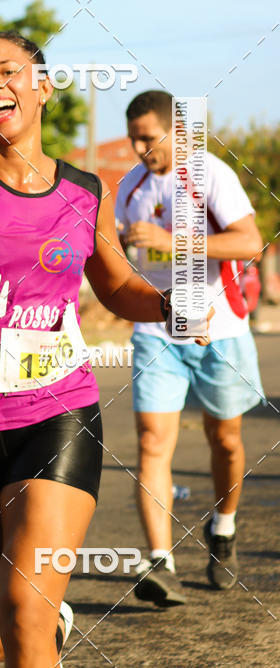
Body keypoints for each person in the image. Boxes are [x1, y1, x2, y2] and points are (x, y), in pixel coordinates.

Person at [0, 32, 210, 666]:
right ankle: (49, 624)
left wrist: (169, 304)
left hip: (58, 412)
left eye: (8, 71)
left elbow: (115, 287)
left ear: (42, 87)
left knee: (23, 613)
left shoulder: (84, 191)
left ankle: (40, 619)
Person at [115, 90, 264, 607]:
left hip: (218, 328)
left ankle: (223, 526)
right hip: (159, 331)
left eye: (147, 137)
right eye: (133, 136)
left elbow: (250, 241)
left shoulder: (210, 175)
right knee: (153, 441)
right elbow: (118, 256)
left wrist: (170, 241)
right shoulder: (129, 186)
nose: (137, 147)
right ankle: (161, 564)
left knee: (224, 440)